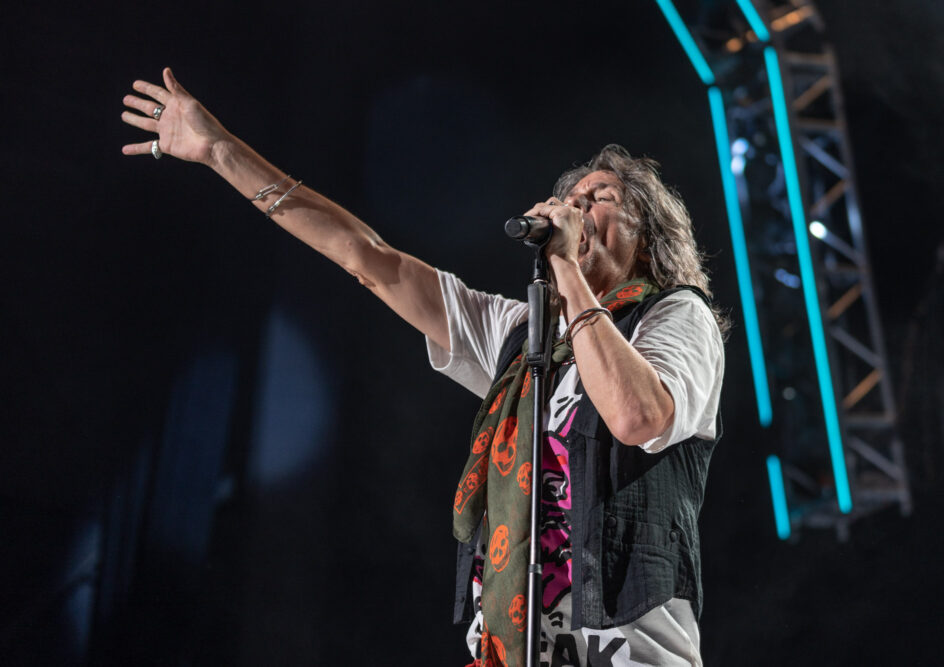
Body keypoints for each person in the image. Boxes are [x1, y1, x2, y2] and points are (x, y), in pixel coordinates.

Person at [122, 68, 725, 667]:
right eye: (571, 201)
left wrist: (566, 268)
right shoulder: (522, 336)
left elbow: (637, 416)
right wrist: (221, 153)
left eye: (601, 199)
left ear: (648, 237)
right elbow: (366, 257)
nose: (577, 209)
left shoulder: (676, 316)